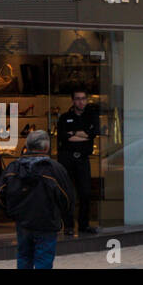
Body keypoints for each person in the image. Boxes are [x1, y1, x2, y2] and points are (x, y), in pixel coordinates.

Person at [0, 130, 75, 269]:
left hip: (23, 221)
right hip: (47, 222)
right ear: (46, 148)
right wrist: (61, 215)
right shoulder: (55, 169)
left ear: (27, 146)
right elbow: (67, 199)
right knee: (44, 259)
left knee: (24, 256)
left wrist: (13, 213)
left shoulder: (14, 167)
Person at [55, 88, 98, 235]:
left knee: (85, 193)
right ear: (73, 101)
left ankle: (83, 225)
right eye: (78, 99)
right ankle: (68, 226)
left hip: (83, 159)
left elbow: (91, 135)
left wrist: (72, 133)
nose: (81, 101)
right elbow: (63, 137)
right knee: (68, 193)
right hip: (67, 158)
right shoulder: (65, 117)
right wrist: (82, 135)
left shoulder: (91, 116)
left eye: (83, 98)